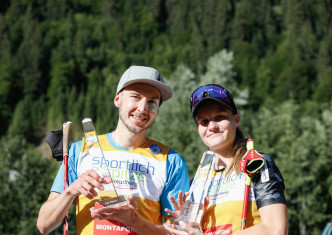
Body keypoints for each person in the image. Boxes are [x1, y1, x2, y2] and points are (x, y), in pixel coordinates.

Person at [37, 65, 190, 234]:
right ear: (118, 99)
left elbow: (179, 232)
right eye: (135, 97)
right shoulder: (80, 149)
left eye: (152, 102)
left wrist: (133, 220)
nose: (142, 108)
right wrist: (70, 191)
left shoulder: (171, 160)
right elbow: (44, 224)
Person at [163, 84, 288, 234]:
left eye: (219, 117)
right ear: (198, 129)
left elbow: (275, 229)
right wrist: (183, 225)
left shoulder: (256, 163)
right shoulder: (198, 179)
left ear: (236, 119)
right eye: (204, 121)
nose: (212, 126)